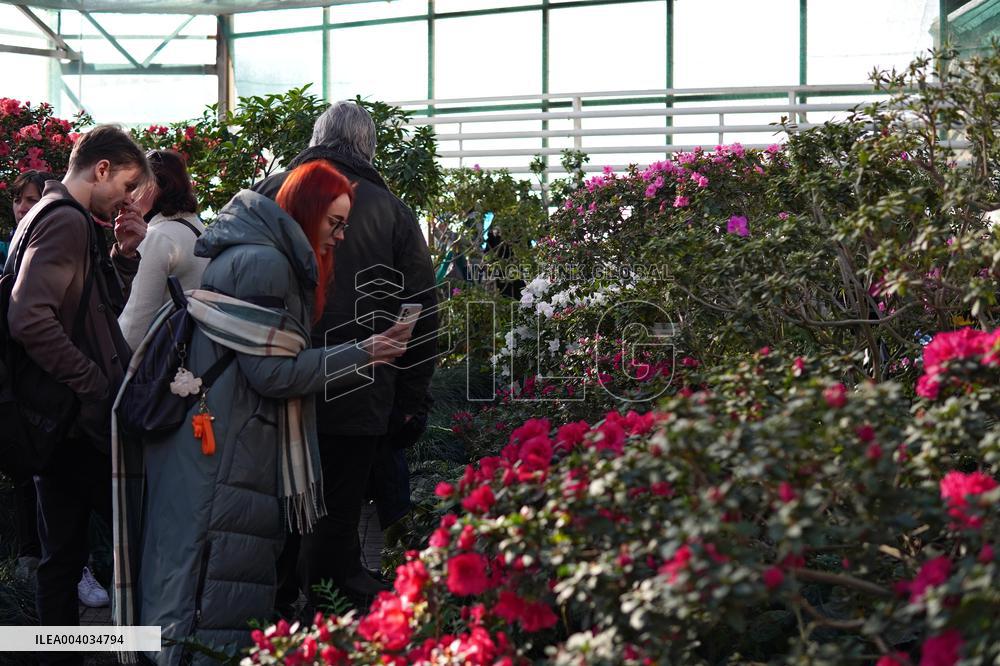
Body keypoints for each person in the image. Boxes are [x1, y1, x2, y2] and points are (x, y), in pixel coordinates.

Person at [131, 161, 413, 666]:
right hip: (227, 448)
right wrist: (365, 352)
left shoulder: (262, 252)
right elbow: (273, 374)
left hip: (220, 437)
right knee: (214, 586)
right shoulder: (268, 263)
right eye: (335, 222)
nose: (342, 236)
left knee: (205, 576)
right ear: (307, 211)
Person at [253, 100, 439, 611]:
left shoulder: (267, 194)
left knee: (274, 520)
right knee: (334, 520)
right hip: (358, 395)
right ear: (367, 146)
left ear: (317, 138)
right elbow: (421, 310)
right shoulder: (391, 210)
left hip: (273, 389)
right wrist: (410, 401)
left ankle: (267, 625)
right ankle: (321, 627)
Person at [4, 125, 149, 665]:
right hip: (73, 420)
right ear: (102, 169)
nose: (128, 200)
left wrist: (125, 255)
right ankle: (128, 649)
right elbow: (29, 316)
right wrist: (92, 383)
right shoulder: (64, 220)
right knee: (130, 544)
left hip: (52, 416)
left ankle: (59, 654)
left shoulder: (48, 214)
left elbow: (87, 306)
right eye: (128, 186)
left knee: (60, 555)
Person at [118, 150, 209, 351]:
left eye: (133, 186)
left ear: (155, 185)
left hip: (164, 360)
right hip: (198, 352)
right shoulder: (199, 228)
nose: (127, 196)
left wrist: (110, 369)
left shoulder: (157, 236)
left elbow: (136, 321)